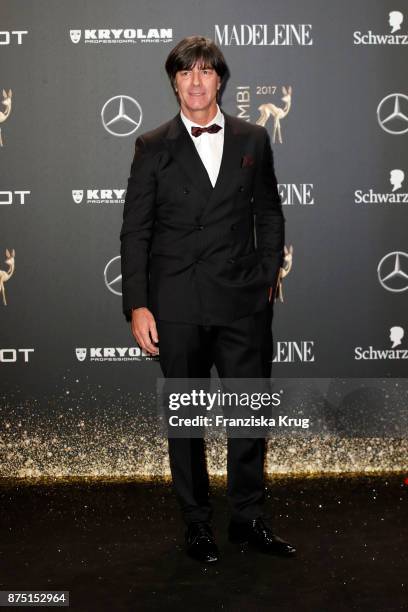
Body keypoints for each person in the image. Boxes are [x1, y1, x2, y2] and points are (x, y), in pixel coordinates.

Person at [120, 35, 296, 563]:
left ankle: (248, 519)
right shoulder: (152, 146)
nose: (195, 82)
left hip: (242, 302)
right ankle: (198, 524)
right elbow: (135, 232)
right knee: (186, 422)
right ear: (173, 81)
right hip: (176, 308)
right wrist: (138, 304)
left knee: (249, 417)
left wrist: (266, 278)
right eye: (185, 73)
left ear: (220, 79)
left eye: (205, 72)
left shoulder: (252, 139)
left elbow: (269, 213)